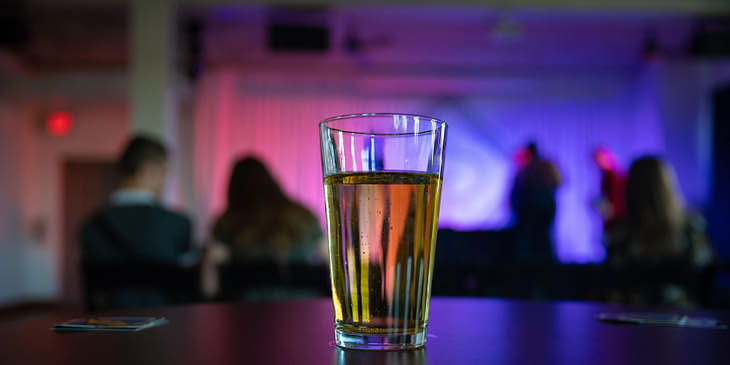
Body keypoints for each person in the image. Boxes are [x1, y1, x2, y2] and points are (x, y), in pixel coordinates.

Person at [80, 135, 195, 309]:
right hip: (167, 328)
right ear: (149, 170)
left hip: (108, 328)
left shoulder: (90, 227)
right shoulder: (178, 224)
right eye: (164, 172)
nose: (165, 181)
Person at [203, 157, 325, 300]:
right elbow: (330, 259)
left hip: (248, 308)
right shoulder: (304, 216)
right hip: (304, 305)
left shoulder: (228, 221)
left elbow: (209, 286)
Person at [604, 156, 713, 307]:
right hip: (682, 318)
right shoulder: (691, 227)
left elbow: (613, 287)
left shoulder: (621, 233)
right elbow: (705, 276)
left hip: (633, 317)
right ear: (667, 185)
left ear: (629, 187)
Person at [509, 142, 562, 264]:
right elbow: (558, 181)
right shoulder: (547, 165)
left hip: (533, 206)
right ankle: (544, 265)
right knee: (542, 237)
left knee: (530, 238)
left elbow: (519, 187)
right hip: (544, 205)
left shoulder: (528, 167)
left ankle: (530, 267)